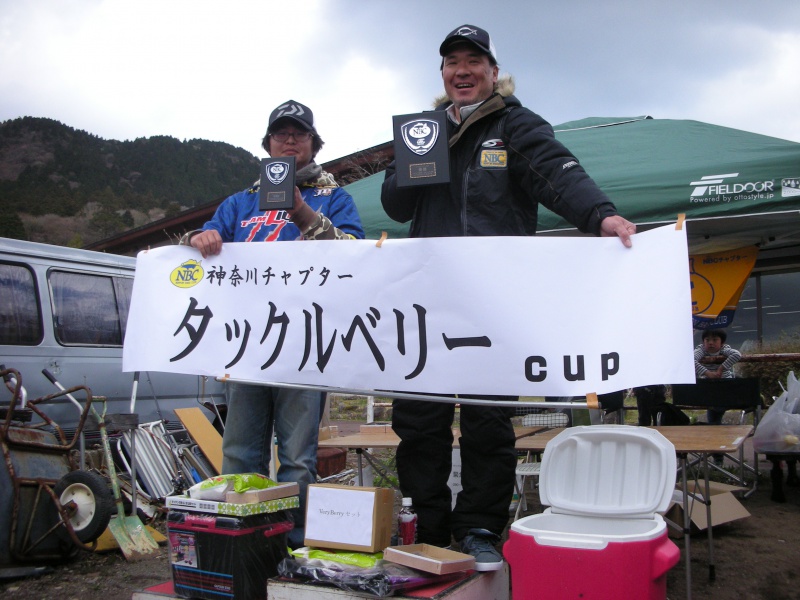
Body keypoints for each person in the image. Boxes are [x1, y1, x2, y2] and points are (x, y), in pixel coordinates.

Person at [380, 24, 636, 570]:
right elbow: (396, 207)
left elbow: (559, 173)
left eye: (474, 60)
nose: (463, 70)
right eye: (452, 62)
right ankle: (425, 526)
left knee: (487, 420)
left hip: (493, 304)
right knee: (418, 423)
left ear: (494, 72)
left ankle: (478, 528)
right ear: (442, 75)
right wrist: (417, 156)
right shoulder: (420, 131)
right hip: (426, 305)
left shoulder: (514, 124)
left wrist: (601, 215)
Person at [182, 100, 365, 548]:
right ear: (267, 145)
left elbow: (354, 253)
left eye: (298, 135)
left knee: (297, 457)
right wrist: (196, 238)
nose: (289, 141)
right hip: (244, 343)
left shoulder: (334, 197)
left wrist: (300, 210)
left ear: (312, 145)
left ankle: (290, 542)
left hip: (306, 342)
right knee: (240, 451)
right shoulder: (240, 202)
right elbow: (202, 243)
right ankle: (241, 540)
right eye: (281, 134)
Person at [694, 328, 741, 425]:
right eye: (707, 340)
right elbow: (690, 359)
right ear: (703, 342)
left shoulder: (724, 349)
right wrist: (707, 373)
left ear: (722, 342)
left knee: (716, 404)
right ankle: (715, 424)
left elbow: (737, 354)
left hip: (725, 384)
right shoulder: (701, 350)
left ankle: (715, 423)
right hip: (709, 385)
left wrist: (721, 368)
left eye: (715, 340)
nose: (711, 343)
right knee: (713, 402)